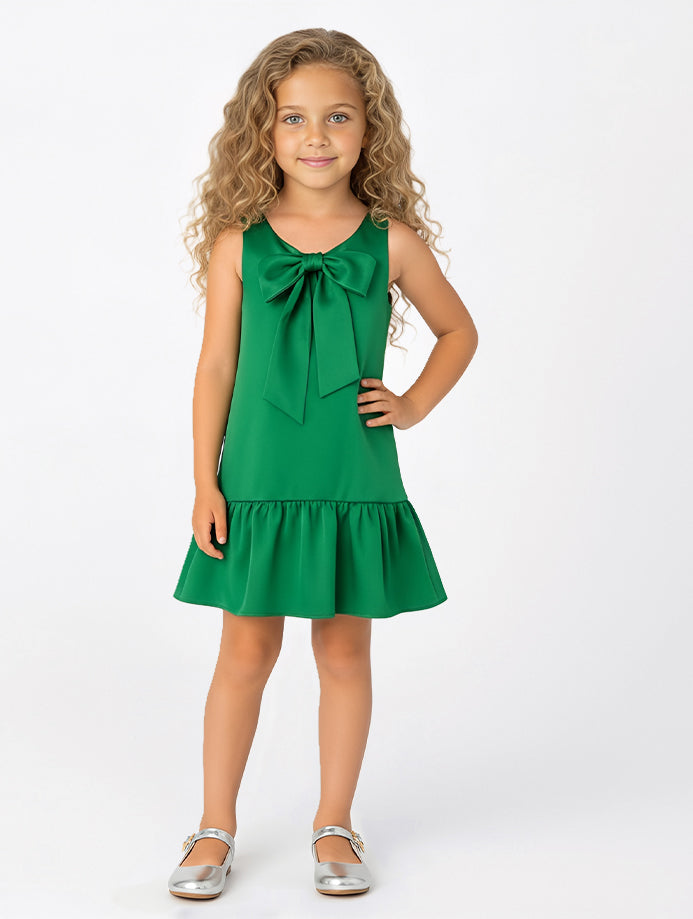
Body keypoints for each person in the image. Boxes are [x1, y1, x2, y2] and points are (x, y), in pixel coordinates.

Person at [167, 27, 478, 900]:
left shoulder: (391, 240)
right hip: (258, 481)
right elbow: (216, 367)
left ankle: (334, 821)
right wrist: (204, 481)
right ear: (261, 132)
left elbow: (459, 331)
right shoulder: (238, 242)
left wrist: (411, 403)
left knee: (343, 652)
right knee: (243, 652)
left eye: (337, 117)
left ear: (367, 128)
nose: (315, 136)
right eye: (293, 118)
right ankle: (213, 826)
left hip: (352, 478)